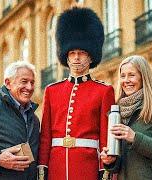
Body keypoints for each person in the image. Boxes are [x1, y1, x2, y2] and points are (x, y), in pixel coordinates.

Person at [38, 7, 115, 180]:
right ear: (66, 56)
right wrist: (42, 167)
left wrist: (105, 171)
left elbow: (105, 137)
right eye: (72, 53)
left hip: (87, 168)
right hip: (56, 167)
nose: (76, 58)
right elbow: (45, 137)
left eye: (81, 53)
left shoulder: (104, 91)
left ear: (91, 57)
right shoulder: (52, 91)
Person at [101, 55, 152, 180]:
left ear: (143, 77)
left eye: (131, 75)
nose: (126, 80)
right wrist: (110, 161)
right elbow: (121, 165)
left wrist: (135, 138)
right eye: (123, 76)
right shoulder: (117, 112)